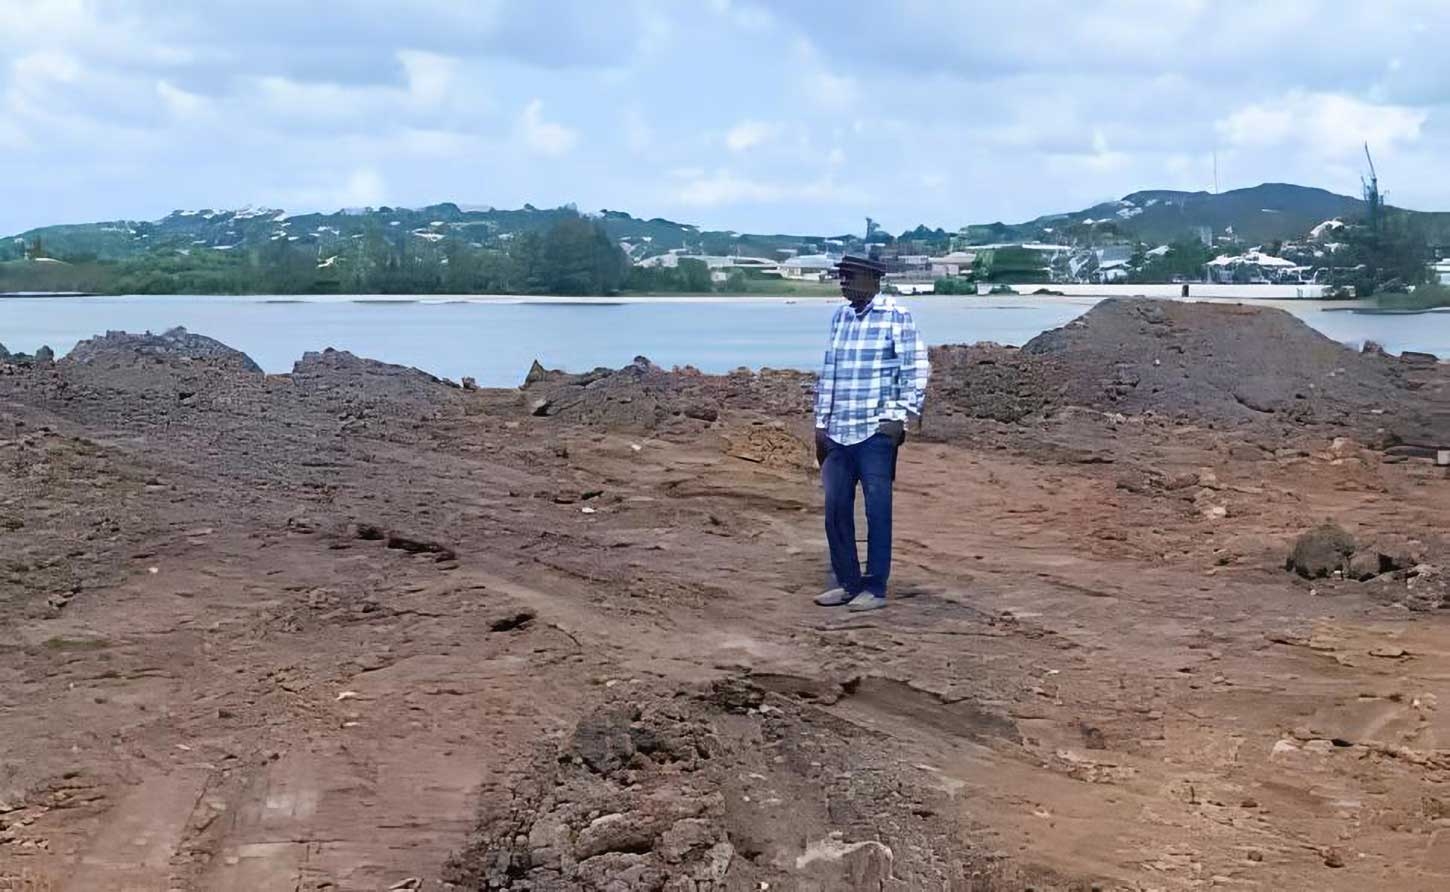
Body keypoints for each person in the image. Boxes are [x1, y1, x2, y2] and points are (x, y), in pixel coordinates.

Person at [812, 254, 930, 612]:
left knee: (878, 510)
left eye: (850, 276)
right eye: (841, 276)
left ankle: (875, 588)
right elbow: (830, 369)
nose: (843, 282)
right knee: (835, 508)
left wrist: (900, 417)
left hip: (875, 431)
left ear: (873, 278)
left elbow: (916, 367)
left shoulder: (896, 315)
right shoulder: (840, 317)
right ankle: (847, 583)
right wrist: (821, 421)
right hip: (838, 430)